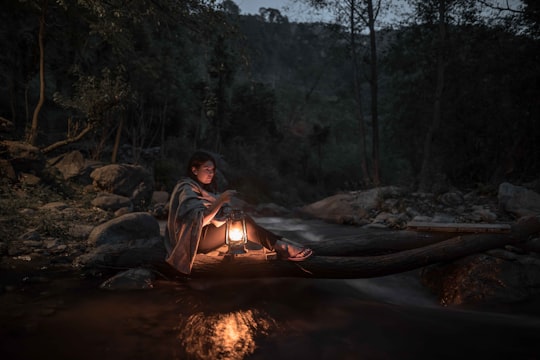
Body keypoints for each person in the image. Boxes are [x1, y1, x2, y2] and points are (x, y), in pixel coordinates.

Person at [164, 150, 313, 274]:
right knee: (243, 223)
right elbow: (198, 221)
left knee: (240, 219)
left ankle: (280, 243)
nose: (211, 174)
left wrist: (224, 208)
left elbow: (212, 215)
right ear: (194, 170)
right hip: (193, 240)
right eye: (206, 170)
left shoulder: (201, 189)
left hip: (202, 235)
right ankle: (282, 247)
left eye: (213, 170)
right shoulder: (186, 188)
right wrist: (220, 201)